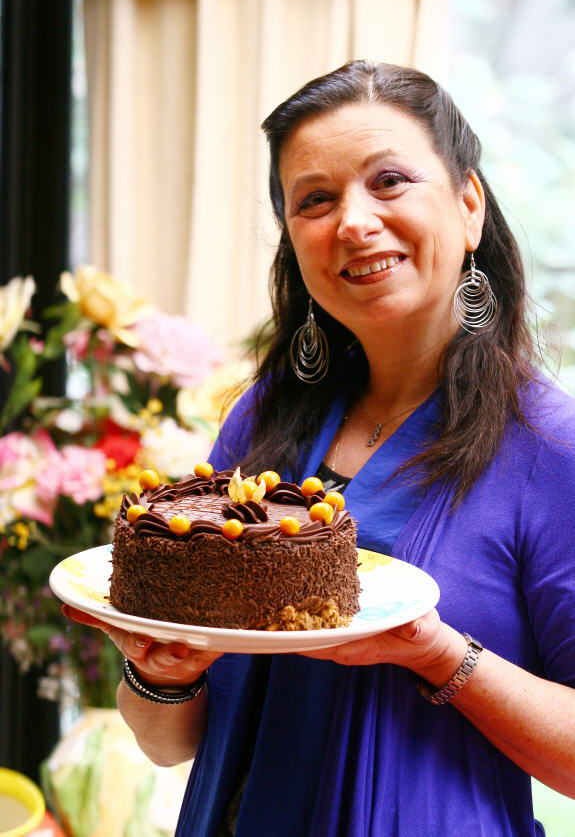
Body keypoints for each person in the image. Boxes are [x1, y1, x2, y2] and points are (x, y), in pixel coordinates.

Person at [63, 60, 575, 836]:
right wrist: (161, 672)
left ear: (468, 206)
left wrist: (439, 656)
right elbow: (170, 743)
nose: (354, 221)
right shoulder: (265, 419)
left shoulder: (548, 447)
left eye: (390, 180)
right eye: (315, 199)